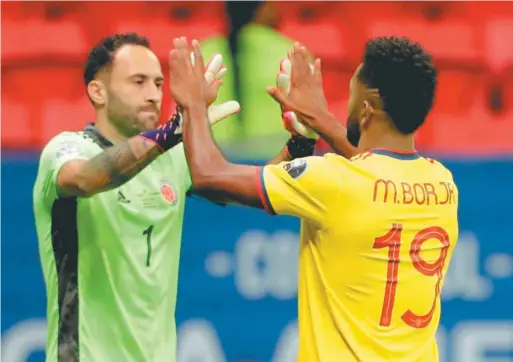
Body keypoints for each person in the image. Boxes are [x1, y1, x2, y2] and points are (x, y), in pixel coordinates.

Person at [170, 36, 459, 361]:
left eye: (351, 96)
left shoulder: (332, 180)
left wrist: (193, 103)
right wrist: (317, 122)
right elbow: (374, 172)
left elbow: (210, 176)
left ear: (366, 111)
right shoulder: (442, 184)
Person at [32, 32, 315, 362]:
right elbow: (83, 179)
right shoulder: (67, 149)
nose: (153, 95)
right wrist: (172, 132)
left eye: (158, 84)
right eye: (138, 82)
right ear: (98, 91)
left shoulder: (172, 157)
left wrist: (298, 145)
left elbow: (250, 189)